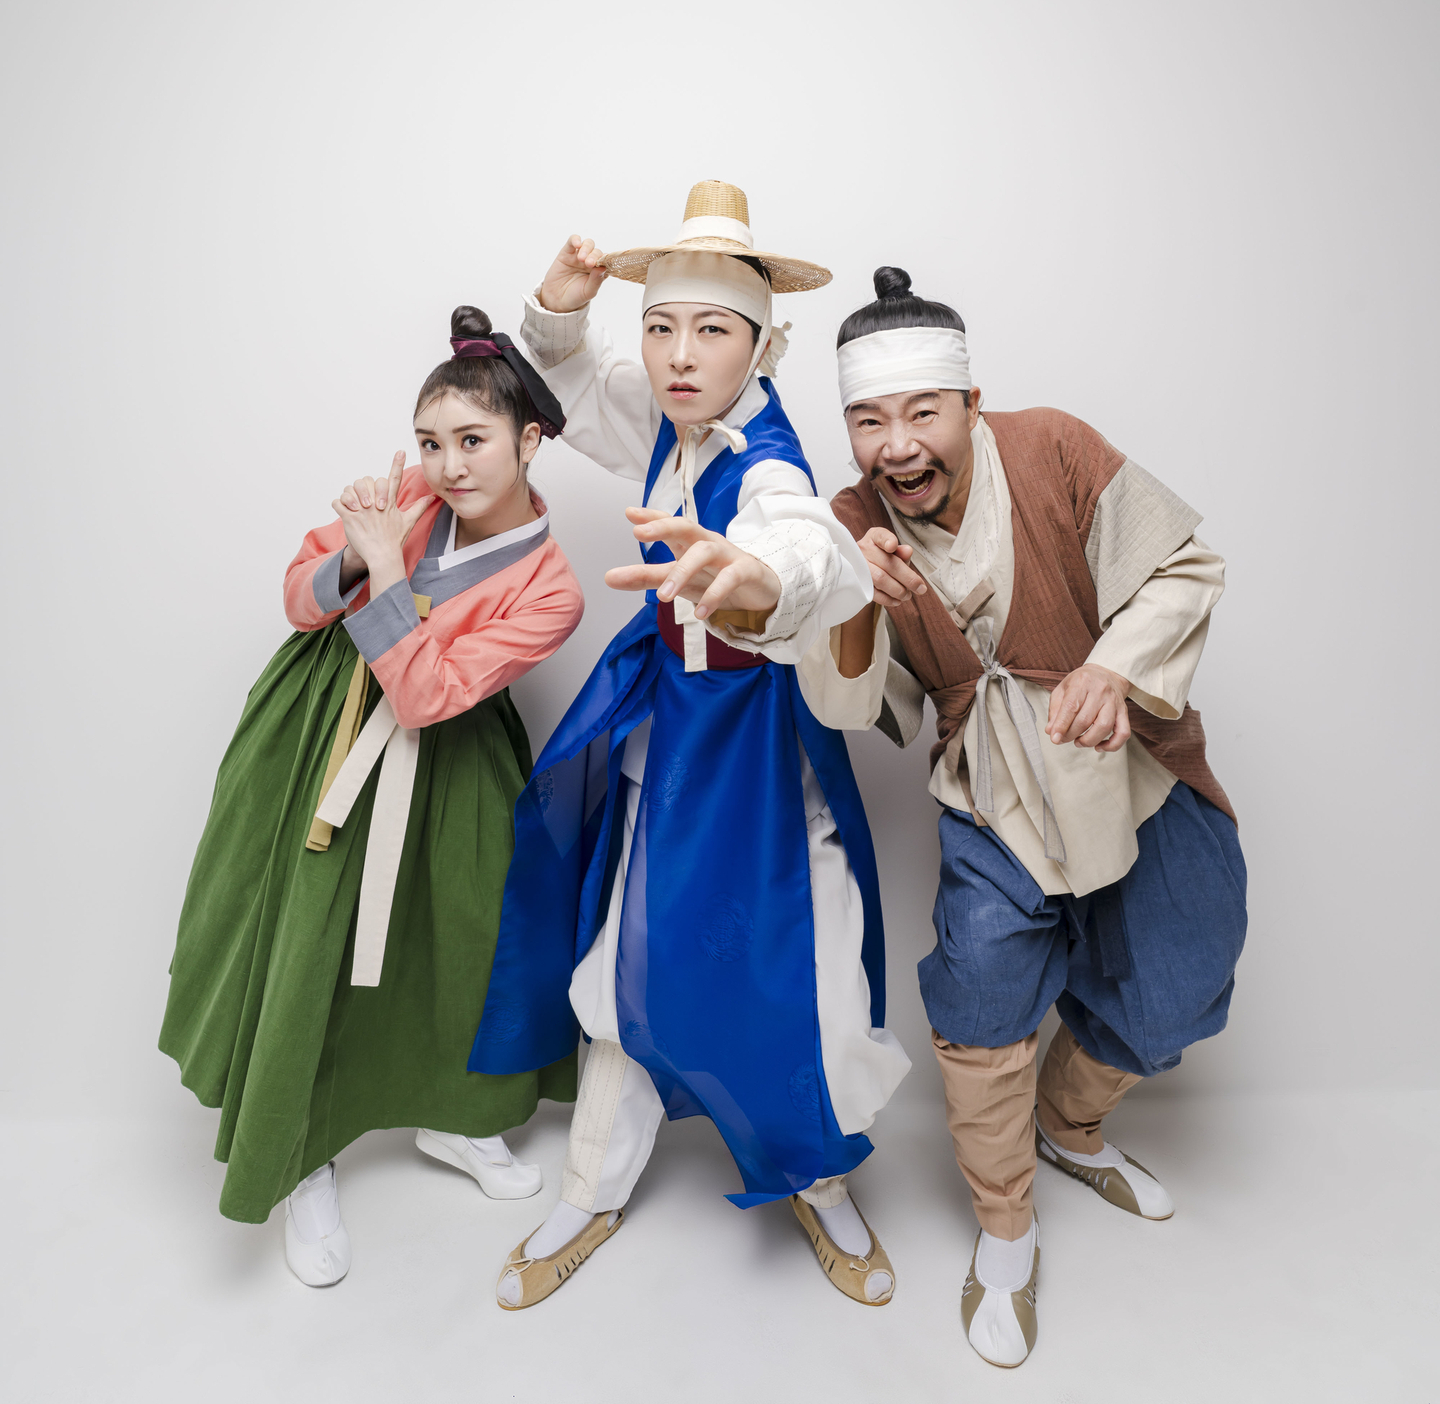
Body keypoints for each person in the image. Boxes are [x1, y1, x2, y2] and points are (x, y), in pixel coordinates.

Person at [470, 182, 911, 1310]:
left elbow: (804, 541)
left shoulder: (767, 457)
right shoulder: (672, 416)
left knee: (807, 977)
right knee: (625, 959)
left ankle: (819, 1178)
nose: (677, 353)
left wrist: (763, 582)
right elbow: (573, 386)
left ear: (763, 344)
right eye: (660, 325)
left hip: (760, 761)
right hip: (671, 744)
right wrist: (559, 312)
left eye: (710, 329)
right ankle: (590, 1191)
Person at [802, 268, 1246, 1366]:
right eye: (868, 420)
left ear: (969, 403)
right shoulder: (847, 523)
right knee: (984, 997)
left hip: (1128, 755)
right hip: (986, 789)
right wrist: (854, 603)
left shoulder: (1050, 447)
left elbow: (1186, 564)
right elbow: (852, 705)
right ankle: (1005, 1228)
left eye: (920, 414)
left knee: (1187, 963)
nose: (896, 446)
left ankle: (1071, 1124)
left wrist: (1114, 666)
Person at [159, 307, 586, 1286]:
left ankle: (456, 1115)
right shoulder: (403, 497)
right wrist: (355, 557)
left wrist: (386, 567)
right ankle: (300, 1150)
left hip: (450, 755)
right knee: (313, 939)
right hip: (326, 737)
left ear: (528, 442)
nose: (445, 465)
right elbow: (300, 598)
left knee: (465, 941)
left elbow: (431, 695)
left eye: (472, 441)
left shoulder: (549, 586)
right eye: (430, 442)